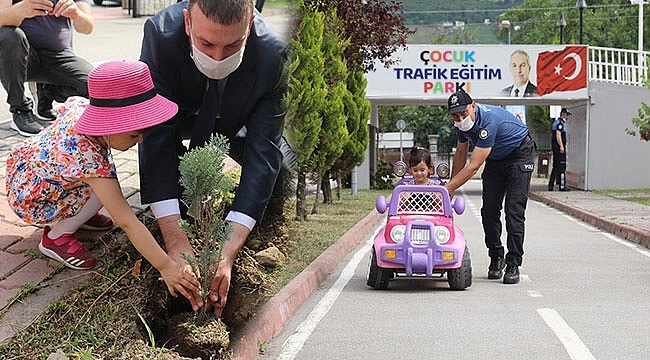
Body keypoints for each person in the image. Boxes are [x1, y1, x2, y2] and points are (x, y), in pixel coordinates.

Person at [138, 0, 294, 316]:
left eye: (232, 45)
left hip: (236, 125)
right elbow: (156, 139)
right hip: (180, 114)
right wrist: (176, 240)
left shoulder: (273, 54)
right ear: (187, 23)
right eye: (206, 44)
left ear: (249, 26)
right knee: (165, 161)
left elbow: (263, 152)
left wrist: (228, 251)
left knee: (282, 172)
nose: (217, 57)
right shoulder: (160, 36)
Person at [5, 60, 200, 300]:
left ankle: (77, 214)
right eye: (134, 134)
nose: (139, 141)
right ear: (109, 125)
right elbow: (128, 222)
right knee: (106, 188)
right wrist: (167, 267)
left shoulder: (85, 110)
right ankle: (56, 237)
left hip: (31, 174)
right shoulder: (89, 160)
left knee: (104, 182)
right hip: (33, 198)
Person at [445, 89, 535, 284]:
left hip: (520, 154)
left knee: (514, 211)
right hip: (495, 158)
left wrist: (447, 189)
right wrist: (450, 190)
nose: (461, 118)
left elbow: (473, 166)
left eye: (464, 113)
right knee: (489, 210)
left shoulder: (489, 121)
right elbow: (461, 153)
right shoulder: (461, 126)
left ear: (473, 106)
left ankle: (513, 264)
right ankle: (496, 256)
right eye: (456, 115)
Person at [0, 0, 94, 136]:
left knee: (95, 88)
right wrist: (19, 9)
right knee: (8, 37)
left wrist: (76, 14)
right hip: (25, 56)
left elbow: (87, 27)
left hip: (59, 58)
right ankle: (20, 109)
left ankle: (46, 91)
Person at [548, 108, 571, 191]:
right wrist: (561, 146)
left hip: (556, 148)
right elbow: (558, 135)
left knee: (555, 167)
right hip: (559, 149)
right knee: (561, 167)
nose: (568, 116)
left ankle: (551, 185)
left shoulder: (557, 122)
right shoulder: (560, 123)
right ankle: (562, 186)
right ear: (563, 114)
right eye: (567, 115)